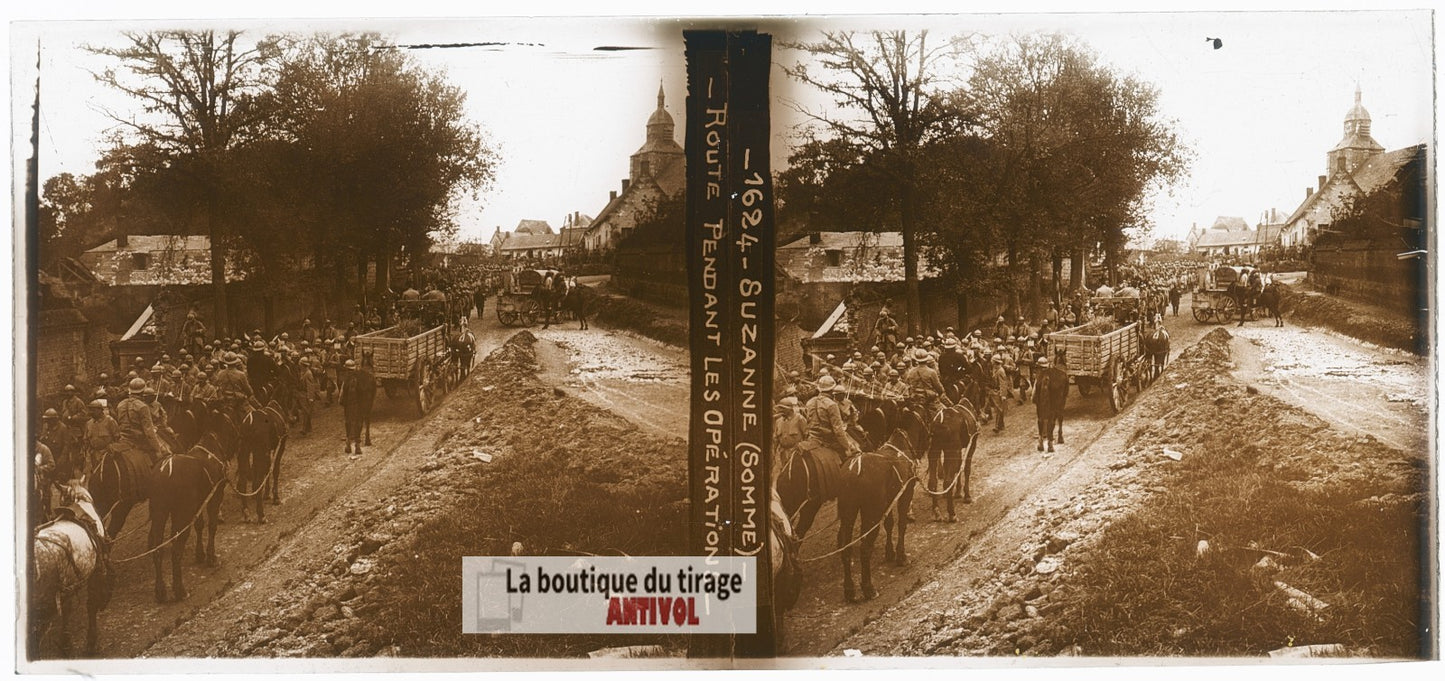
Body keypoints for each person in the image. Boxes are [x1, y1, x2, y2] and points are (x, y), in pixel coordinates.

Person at [803, 375, 860, 460]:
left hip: (812, 438)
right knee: (854, 455)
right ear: (832, 390)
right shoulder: (832, 404)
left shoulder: (809, 402)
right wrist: (847, 447)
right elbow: (838, 431)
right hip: (827, 440)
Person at [115, 378, 168, 462]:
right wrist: (158, 450)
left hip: (123, 440)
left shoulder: (120, 404)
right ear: (143, 392)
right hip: (139, 442)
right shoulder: (142, 406)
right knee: (166, 453)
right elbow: (149, 432)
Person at [298, 357, 320, 436]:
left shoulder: (308, 373)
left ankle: (304, 429)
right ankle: (308, 428)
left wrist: (310, 397)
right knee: (306, 412)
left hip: (306, 394)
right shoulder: (303, 372)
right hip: (301, 394)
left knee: (306, 411)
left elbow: (310, 386)